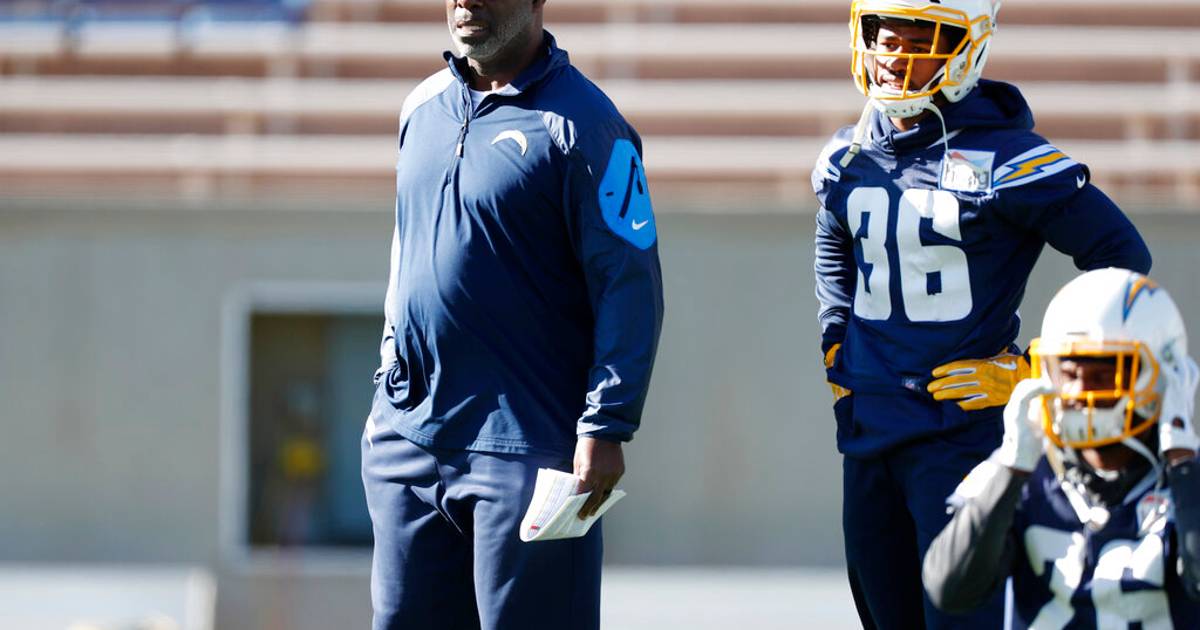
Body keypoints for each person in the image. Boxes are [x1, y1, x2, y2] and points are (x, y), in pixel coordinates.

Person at [812, 1, 1153, 627]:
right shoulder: (849, 152)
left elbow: (1122, 260)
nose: (893, 54)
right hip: (868, 434)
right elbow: (833, 235)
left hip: (960, 437)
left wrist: (1037, 370)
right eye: (884, 33)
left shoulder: (1009, 157)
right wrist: (835, 343)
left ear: (967, 49)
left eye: (919, 38)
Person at [360, 1, 664, 629]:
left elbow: (630, 286)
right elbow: (405, 250)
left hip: (527, 452)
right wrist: (386, 387)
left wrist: (606, 423)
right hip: (408, 443)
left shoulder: (589, 125)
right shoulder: (421, 106)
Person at [923, 268, 1200, 628]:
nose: (1078, 395)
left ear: (1162, 377)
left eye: (1103, 376)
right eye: (1069, 374)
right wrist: (1012, 469)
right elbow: (950, 590)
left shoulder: (1187, 481)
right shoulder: (1021, 471)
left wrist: (1183, 463)